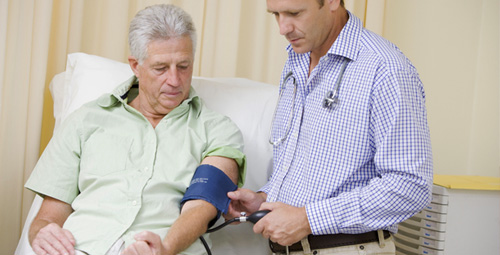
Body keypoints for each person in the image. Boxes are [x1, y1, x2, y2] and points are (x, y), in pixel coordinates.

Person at [25, 4, 245, 255]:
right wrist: (43, 233)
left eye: (183, 66)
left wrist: (164, 248)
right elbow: (49, 216)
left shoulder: (217, 130)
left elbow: (202, 206)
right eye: (161, 68)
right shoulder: (85, 121)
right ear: (135, 66)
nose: (174, 80)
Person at [226, 0, 433, 254]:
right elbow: (309, 168)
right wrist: (266, 199)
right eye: (276, 14)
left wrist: (308, 219)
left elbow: (411, 186)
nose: (283, 27)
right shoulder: (297, 60)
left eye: (294, 13)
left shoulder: (386, 69)